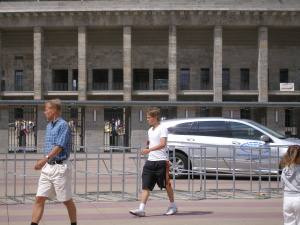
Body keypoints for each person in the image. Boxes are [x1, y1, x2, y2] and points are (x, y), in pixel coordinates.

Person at [30, 99, 77, 225]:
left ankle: (74, 223)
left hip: (60, 167)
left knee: (66, 200)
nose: (44, 112)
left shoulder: (63, 125)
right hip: (48, 168)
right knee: (39, 199)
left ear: (53, 110)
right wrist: (46, 161)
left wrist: (45, 158)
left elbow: (59, 146)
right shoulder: (49, 126)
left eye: (46, 110)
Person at [129, 107, 178, 217]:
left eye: (149, 117)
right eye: (147, 117)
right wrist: (149, 151)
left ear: (155, 117)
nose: (147, 119)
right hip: (150, 161)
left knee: (166, 185)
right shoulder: (150, 130)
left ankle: (173, 206)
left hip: (161, 161)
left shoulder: (162, 129)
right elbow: (153, 143)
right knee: (146, 185)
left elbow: (162, 144)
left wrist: (149, 150)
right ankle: (141, 209)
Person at [280, 145, 300, 225]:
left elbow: (283, 184)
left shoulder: (285, 169)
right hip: (298, 197)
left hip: (287, 198)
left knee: (289, 222)